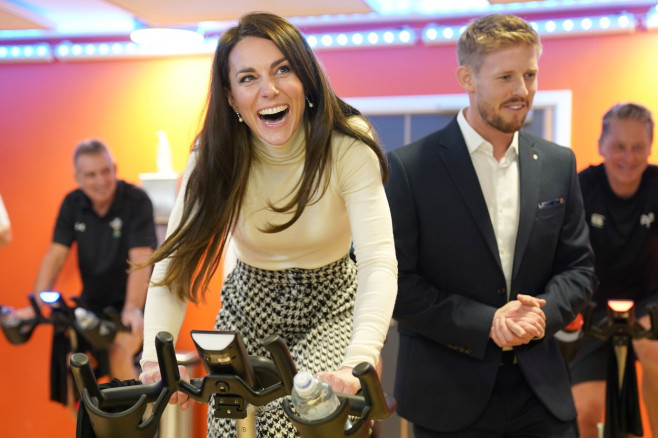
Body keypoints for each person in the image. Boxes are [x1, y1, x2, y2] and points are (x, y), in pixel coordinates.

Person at [139, 11, 397, 438]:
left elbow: (378, 261)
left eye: (283, 70)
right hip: (248, 301)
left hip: (330, 302)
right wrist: (154, 359)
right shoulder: (216, 154)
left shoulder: (346, 144)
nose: (269, 90)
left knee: (298, 422)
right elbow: (175, 267)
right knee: (228, 426)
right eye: (248, 78)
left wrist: (359, 358)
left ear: (307, 79)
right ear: (230, 96)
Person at [384, 14, 597, 438]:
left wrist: (541, 314)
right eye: (506, 77)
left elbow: (580, 269)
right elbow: (396, 284)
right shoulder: (409, 168)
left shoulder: (559, 163)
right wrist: (488, 322)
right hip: (447, 397)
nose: (522, 91)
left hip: (542, 396)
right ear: (467, 77)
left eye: (530, 75)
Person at [25, 139, 156, 406]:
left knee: (119, 351)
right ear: (78, 178)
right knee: (74, 366)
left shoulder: (135, 200)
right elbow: (56, 254)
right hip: (91, 305)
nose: (100, 181)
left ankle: (137, 429)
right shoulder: (73, 204)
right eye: (91, 175)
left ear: (115, 168)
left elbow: (141, 257)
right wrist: (37, 303)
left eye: (106, 171)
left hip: (133, 306)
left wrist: (131, 309)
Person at [570, 103, 658, 438]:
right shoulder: (581, 188)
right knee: (586, 414)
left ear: (649, 149)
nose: (628, 157)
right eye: (619, 146)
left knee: (651, 347)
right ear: (601, 145)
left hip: (649, 303)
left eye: (638, 148)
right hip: (591, 310)